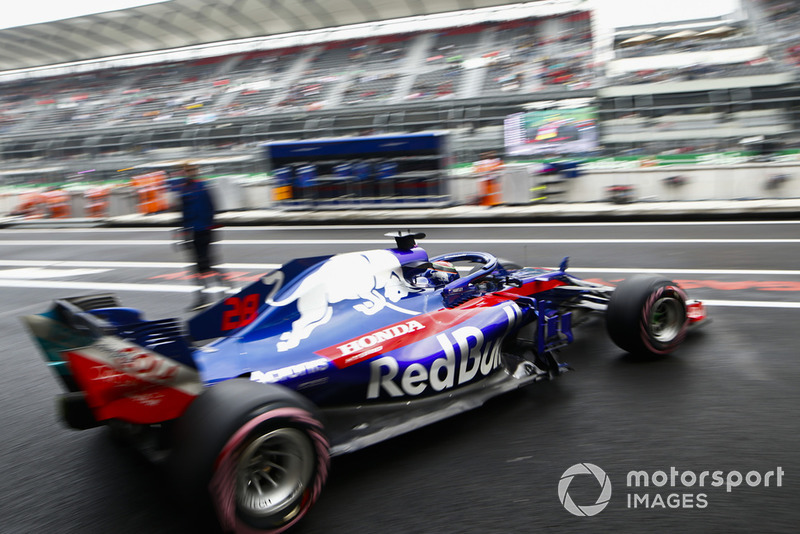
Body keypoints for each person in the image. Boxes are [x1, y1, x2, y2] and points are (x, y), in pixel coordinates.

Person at [178, 162, 221, 310]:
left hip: (205, 230)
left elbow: (212, 207)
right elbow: (184, 213)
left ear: (196, 171)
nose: (190, 172)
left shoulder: (203, 187)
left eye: (192, 169)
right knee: (198, 267)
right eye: (187, 170)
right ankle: (204, 296)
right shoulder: (185, 189)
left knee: (205, 264)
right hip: (193, 232)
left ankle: (220, 292)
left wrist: (211, 228)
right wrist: (183, 233)